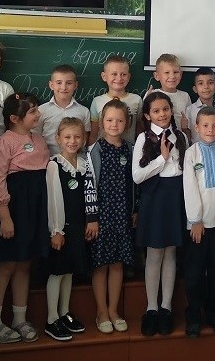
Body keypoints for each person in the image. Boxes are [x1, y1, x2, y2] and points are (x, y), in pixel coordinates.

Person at [0, 93, 50, 343]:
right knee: (6, 264)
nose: (38, 114)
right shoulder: (2, 144)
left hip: (36, 209)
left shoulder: (39, 139)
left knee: (25, 263)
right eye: (32, 111)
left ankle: (19, 319)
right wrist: (5, 218)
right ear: (14, 118)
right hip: (14, 210)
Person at [133, 91, 188, 336]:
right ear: (147, 115)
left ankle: (166, 307)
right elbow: (137, 176)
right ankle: (151, 308)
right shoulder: (143, 139)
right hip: (155, 197)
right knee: (155, 253)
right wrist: (161, 159)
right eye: (156, 111)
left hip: (176, 196)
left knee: (171, 251)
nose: (162, 114)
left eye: (165, 109)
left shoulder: (181, 136)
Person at [182, 107, 215, 337]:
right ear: (196, 127)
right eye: (205, 125)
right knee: (194, 274)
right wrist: (195, 220)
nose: (210, 130)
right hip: (197, 226)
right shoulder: (191, 153)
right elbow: (189, 188)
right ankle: (194, 317)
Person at [44, 117, 96, 341]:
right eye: (67, 137)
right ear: (58, 138)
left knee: (69, 272)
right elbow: (54, 199)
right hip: (61, 229)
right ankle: (51, 319)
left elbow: (89, 194)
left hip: (77, 226)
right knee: (57, 272)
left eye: (77, 137)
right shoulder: (54, 165)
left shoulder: (85, 164)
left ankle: (64, 313)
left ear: (83, 139)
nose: (72, 141)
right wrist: (56, 230)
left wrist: (89, 220)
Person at [87, 100, 136, 334]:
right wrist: (92, 217)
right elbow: (89, 186)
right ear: (101, 122)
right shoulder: (95, 150)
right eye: (109, 120)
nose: (114, 124)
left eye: (119, 120)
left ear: (127, 123)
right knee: (101, 265)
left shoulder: (130, 149)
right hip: (101, 217)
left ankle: (114, 310)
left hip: (122, 216)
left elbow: (135, 184)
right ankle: (101, 312)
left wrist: (135, 210)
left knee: (117, 265)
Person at [37, 65, 91, 155]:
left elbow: (85, 139)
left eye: (69, 83)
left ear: (75, 85)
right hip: (48, 158)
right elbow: (36, 137)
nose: (63, 87)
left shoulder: (84, 111)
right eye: (59, 83)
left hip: (77, 159)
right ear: (51, 85)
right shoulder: (41, 111)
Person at [89, 55, 142, 144]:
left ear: (129, 77)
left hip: (130, 150)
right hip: (102, 150)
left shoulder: (136, 100)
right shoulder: (97, 101)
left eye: (123, 74)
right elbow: (94, 133)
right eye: (114, 74)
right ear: (104, 76)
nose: (119, 78)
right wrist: (90, 150)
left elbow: (140, 131)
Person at [147, 53, 192, 140]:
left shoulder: (185, 96)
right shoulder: (152, 95)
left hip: (179, 140)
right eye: (167, 72)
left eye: (176, 72)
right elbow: (144, 120)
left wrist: (185, 130)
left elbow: (188, 123)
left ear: (181, 74)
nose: (172, 76)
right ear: (157, 76)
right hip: (156, 139)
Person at [182, 67, 215, 144]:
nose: (206, 87)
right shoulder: (189, 110)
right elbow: (187, 139)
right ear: (195, 89)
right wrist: (184, 128)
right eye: (201, 83)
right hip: (195, 150)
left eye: (210, 83)